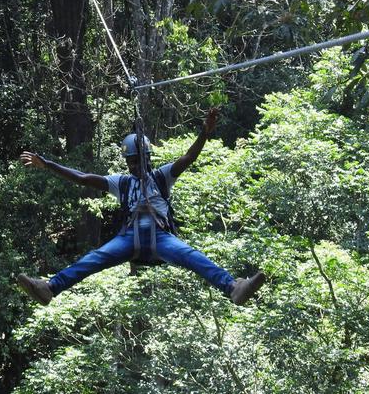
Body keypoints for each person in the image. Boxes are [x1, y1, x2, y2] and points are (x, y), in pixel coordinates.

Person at [17, 108, 265, 306]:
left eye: (138, 161)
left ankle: (234, 287)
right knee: (94, 259)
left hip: (160, 237)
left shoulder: (162, 176)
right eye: (130, 162)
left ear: (148, 157)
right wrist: (47, 164)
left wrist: (204, 133)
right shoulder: (121, 183)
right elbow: (83, 178)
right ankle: (49, 288)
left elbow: (188, 158)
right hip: (129, 238)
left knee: (193, 257)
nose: (134, 166)